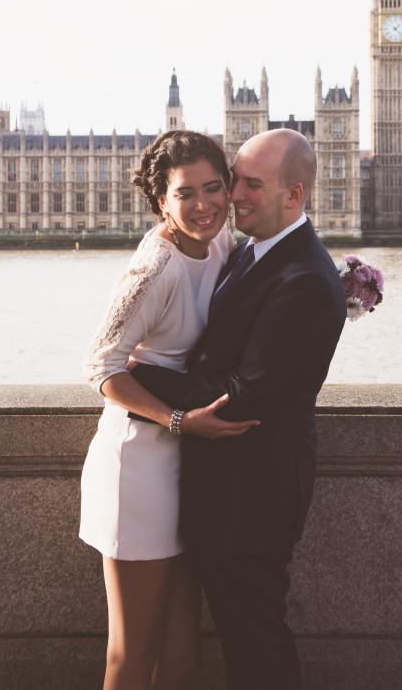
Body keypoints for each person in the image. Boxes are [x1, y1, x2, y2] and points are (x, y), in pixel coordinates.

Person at [145, 127, 347, 690]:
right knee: (245, 640)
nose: (233, 195)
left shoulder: (303, 276)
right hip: (227, 492)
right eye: (235, 180)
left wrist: (141, 374)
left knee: (256, 648)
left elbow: (245, 395)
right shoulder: (253, 251)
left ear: (294, 196)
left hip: (250, 497)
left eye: (251, 184)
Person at [79, 129, 258, 690]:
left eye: (213, 189)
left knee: (182, 656)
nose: (203, 205)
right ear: (162, 201)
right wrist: (180, 421)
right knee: (133, 654)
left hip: (188, 463)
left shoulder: (224, 241)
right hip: (140, 463)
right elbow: (100, 367)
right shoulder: (154, 269)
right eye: (186, 194)